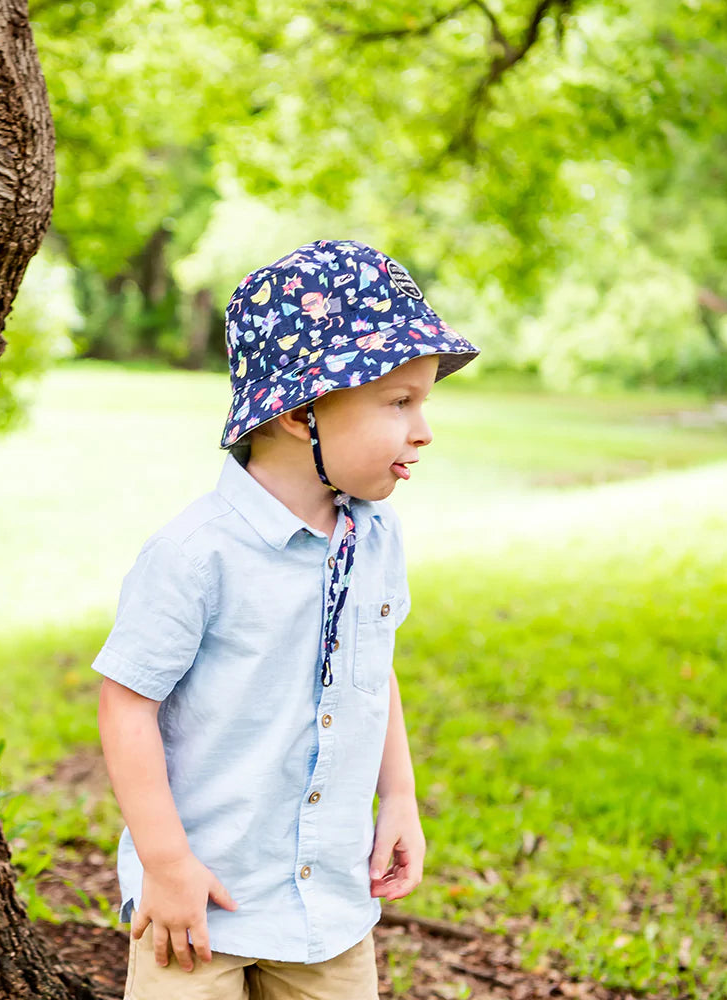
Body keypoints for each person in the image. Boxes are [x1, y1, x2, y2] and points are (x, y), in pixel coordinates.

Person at [94, 238, 480, 999]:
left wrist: (398, 798)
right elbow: (125, 702)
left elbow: (373, 667)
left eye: (424, 402)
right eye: (399, 402)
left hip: (327, 910)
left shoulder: (374, 535)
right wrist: (166, 865)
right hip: (199, 907)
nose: (424, 430)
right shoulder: (198, 553)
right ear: (301, 412)